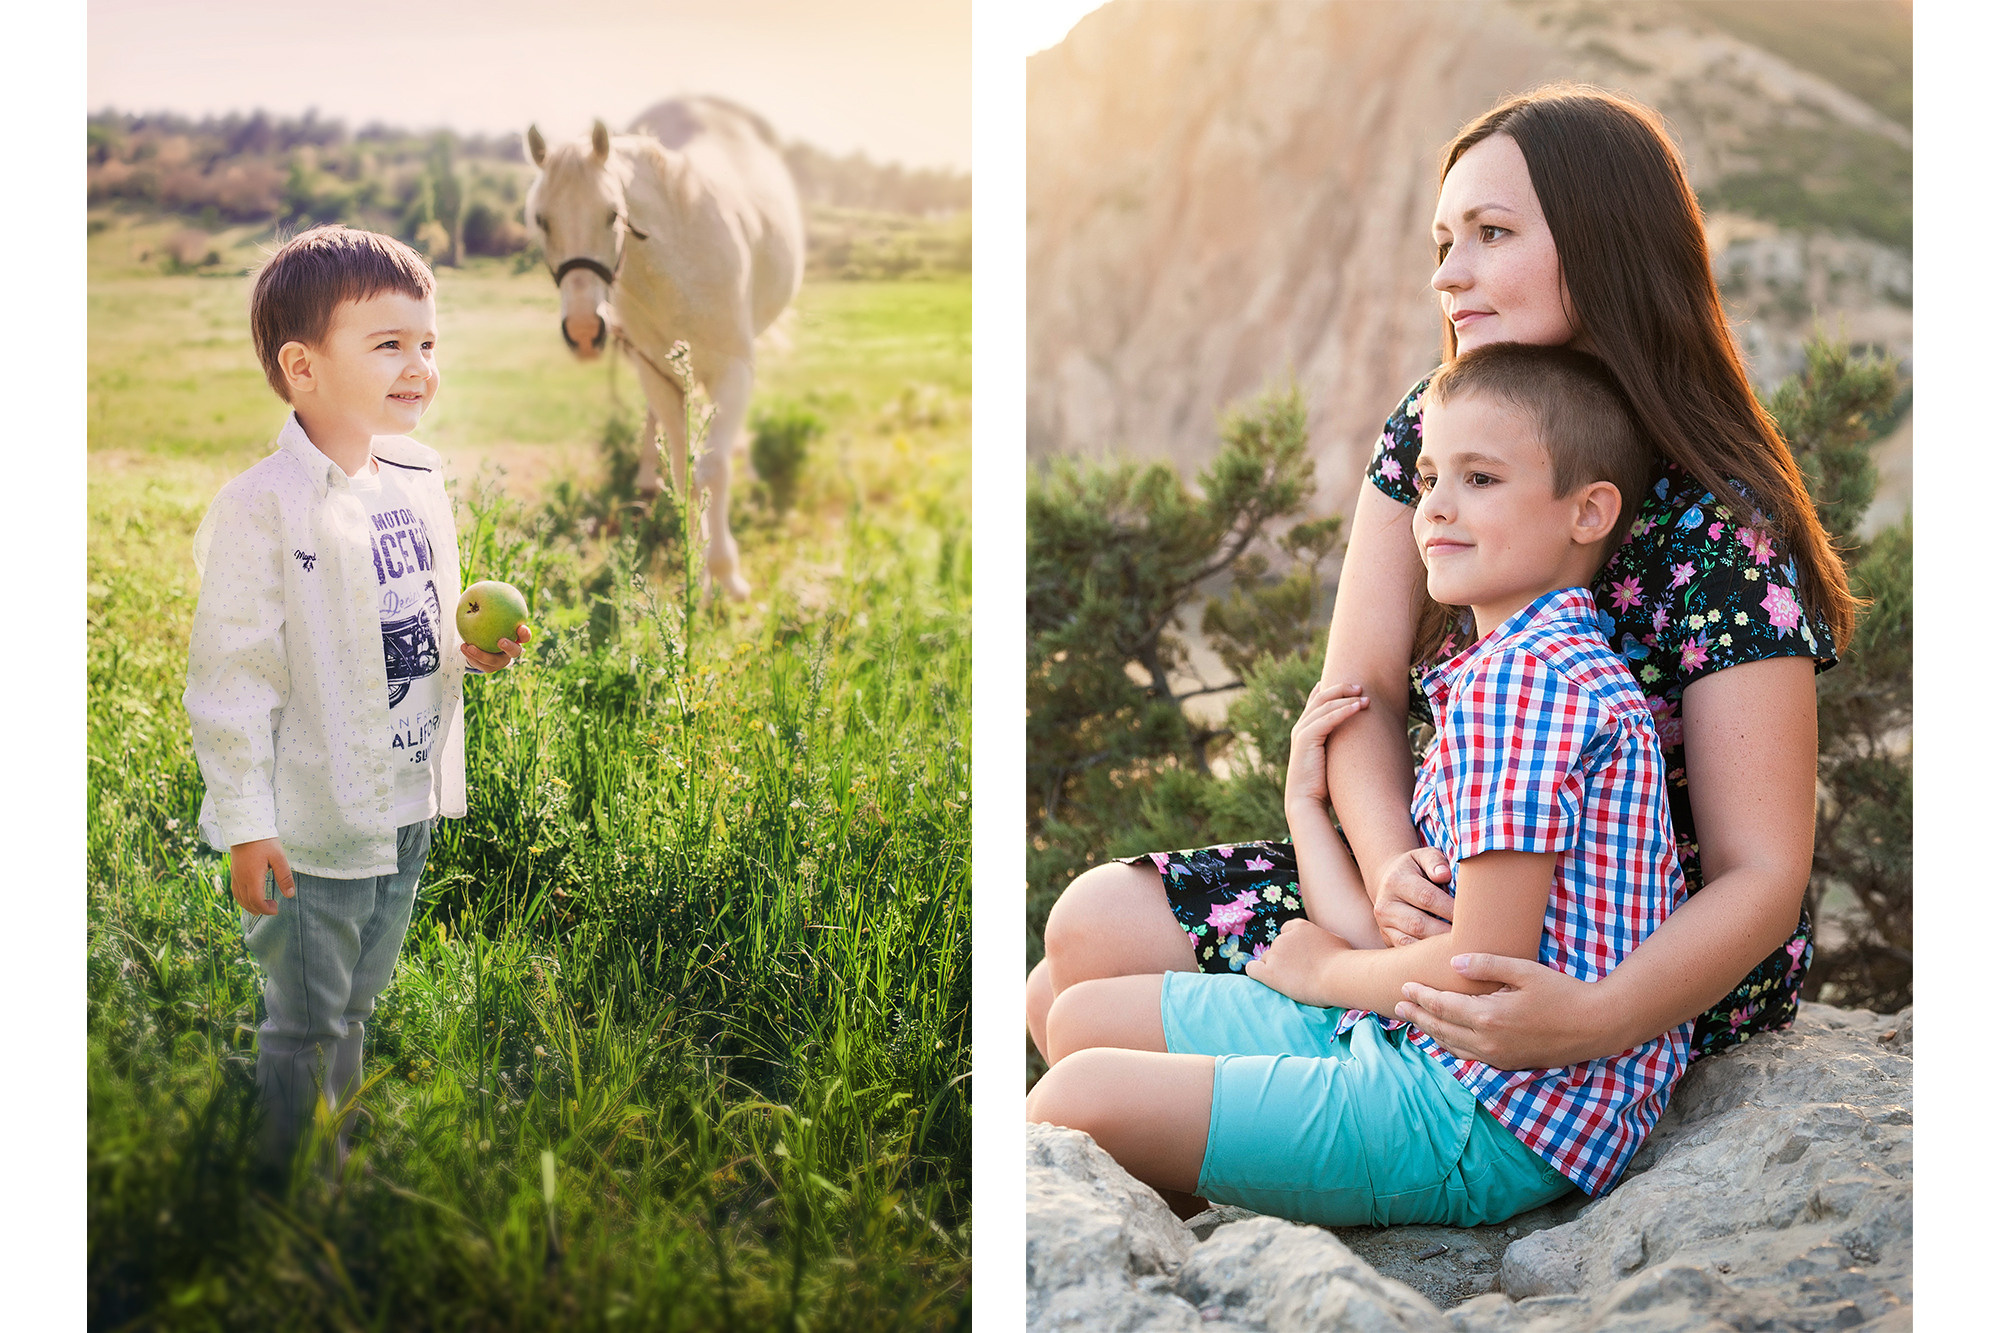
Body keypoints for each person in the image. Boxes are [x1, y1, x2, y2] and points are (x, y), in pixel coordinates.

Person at [1028, 84, 1843, 1079]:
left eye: (1491, 234)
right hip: (1449, 885)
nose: (1448, 275)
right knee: (1078, 946)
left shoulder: (1720, 516)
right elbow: (1356, 696)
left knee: (1086, 975)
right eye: (1442, 243)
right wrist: (1389, 875)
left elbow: (1762, 874)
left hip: (1624, 951)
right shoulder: (1433, 422)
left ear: (1606, 243)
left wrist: (1592, 1018)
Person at [1028, 342, 1688, 1225]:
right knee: (1076, 1017)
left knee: (1075, 1093)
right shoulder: (1518, 662)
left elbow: (1478, 973)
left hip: (1488, 1111)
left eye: (1480, 479)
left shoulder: (1530, 684)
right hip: (1416, 1038)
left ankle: (1218, 1198)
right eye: (1429, 478)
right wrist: (1307, 810)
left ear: (1588, 511)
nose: (1436, 507)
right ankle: (1223, 1173)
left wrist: (1327, 973)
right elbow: (1396, 934)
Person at [183, 225, 530, 1172]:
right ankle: (297, 1181)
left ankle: (333, 1129)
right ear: (302, 367)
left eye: (427, 343)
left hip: (404, 798)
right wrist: (248, 825)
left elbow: (405, 620)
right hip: (313, 820)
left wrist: (466, 652)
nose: (419, 366)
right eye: (388, 344)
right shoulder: (261, 508)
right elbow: (232, 681)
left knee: (356, 1000)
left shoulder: (416, 478)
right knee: (305, 1011)